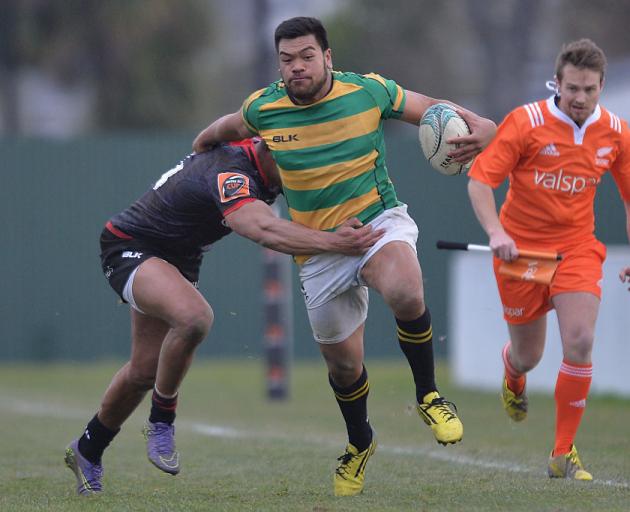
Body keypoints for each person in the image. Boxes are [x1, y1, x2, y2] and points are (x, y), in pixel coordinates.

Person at [193, 16, 496, 496]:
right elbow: (221, 130)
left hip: (377, 222)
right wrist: (204, 155)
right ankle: (360, 443)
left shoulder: (367, 92)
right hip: (318, 251)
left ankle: (429, 395)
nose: (297, 67)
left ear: (327, 57)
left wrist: (485, 126)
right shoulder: (263, 108)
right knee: (344, 368)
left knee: (404, 286)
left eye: (306, 56)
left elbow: (430, 108)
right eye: (287, 60)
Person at [64, 138, 384, 496]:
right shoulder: (233, 173)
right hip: (132, 244)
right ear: (266, 144)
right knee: (194, 317)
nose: (300, 167)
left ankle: (88, 449)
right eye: (293, 157)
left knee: (143, 371)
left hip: (179, 256)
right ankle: (161, 420)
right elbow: (263, 230)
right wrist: (335, 242)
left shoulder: (268, 158)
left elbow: (223, 128)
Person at [467, 39, 630, 481]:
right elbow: (480, 181)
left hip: (576, 249)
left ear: (601, 88)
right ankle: (512, 374)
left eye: (589, 90)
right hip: (520, 254)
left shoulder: (615, 131)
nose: (579, 98)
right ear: (556, 83)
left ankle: (563, 452)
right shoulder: (526, 122)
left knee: (579, 340)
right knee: (529, 356)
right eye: (572, 88)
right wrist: (496, 232)